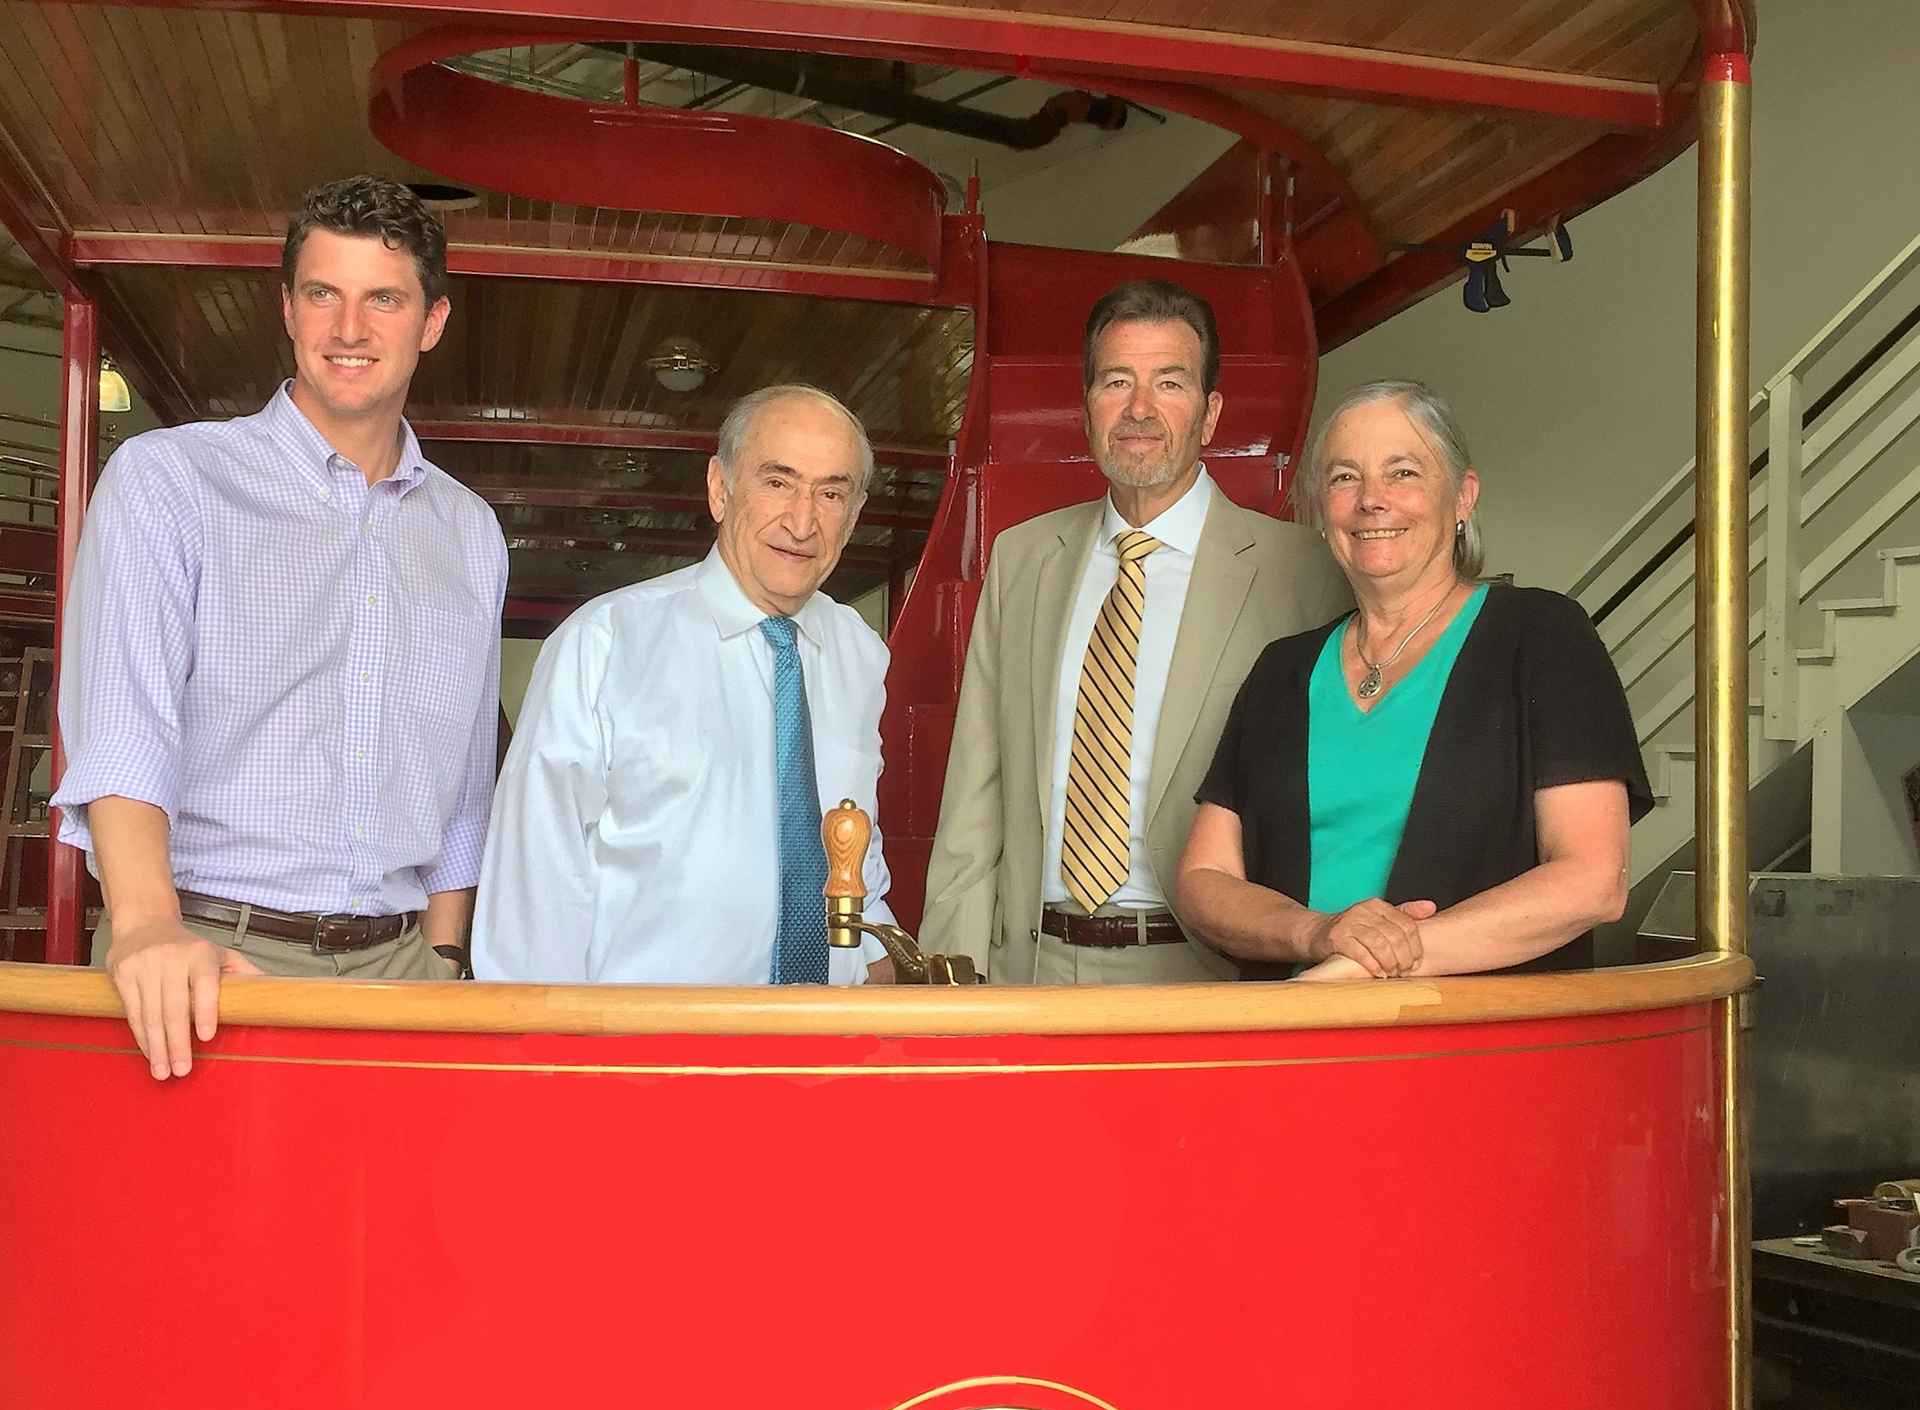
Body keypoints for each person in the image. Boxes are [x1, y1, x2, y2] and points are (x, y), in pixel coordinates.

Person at [54, 176, 508, 1079]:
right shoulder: (169, 481)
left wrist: (446, 956)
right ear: (289, 309)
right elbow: (124, 726)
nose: (350, 329)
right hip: (204, 957)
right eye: (323, 294)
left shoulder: (471, 532)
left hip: (404, 971)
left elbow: (464, 777)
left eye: (384, 299)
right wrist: (145, 925)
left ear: (432, 322)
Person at [919, 280, 1349, 985]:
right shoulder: (1023, 558)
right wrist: (951, 978)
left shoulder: (1303, 573)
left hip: (1207, 974)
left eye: (1169, 383)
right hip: (1030, 969)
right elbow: (976, 793)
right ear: (1087, 409)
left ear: (1210, 414)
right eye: (1117, 381)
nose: (1140, 408)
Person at [1176, 378, 1650, 981]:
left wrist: (1359, 969)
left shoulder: (1542, 636)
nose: (1372, 500)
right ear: (1321, 509)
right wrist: (1317, 933)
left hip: (1477, 1032)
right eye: (1344, 477)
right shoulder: (1282, 670)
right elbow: (1204, 878)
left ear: (1463, 496)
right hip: (1296, 1026)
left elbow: (1594, 880)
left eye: (1403, 473)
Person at [472, 385, 897, 986]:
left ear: (853, 515)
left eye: (830, 493)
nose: (802, 522)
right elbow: (534, 886)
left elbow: (852, 838)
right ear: (720, 489)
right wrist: (544, 1034)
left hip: (827, 1031)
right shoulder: (606, 643)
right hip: (649, 1038)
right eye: (778, 482)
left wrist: (878, 964)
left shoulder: (861, 653)